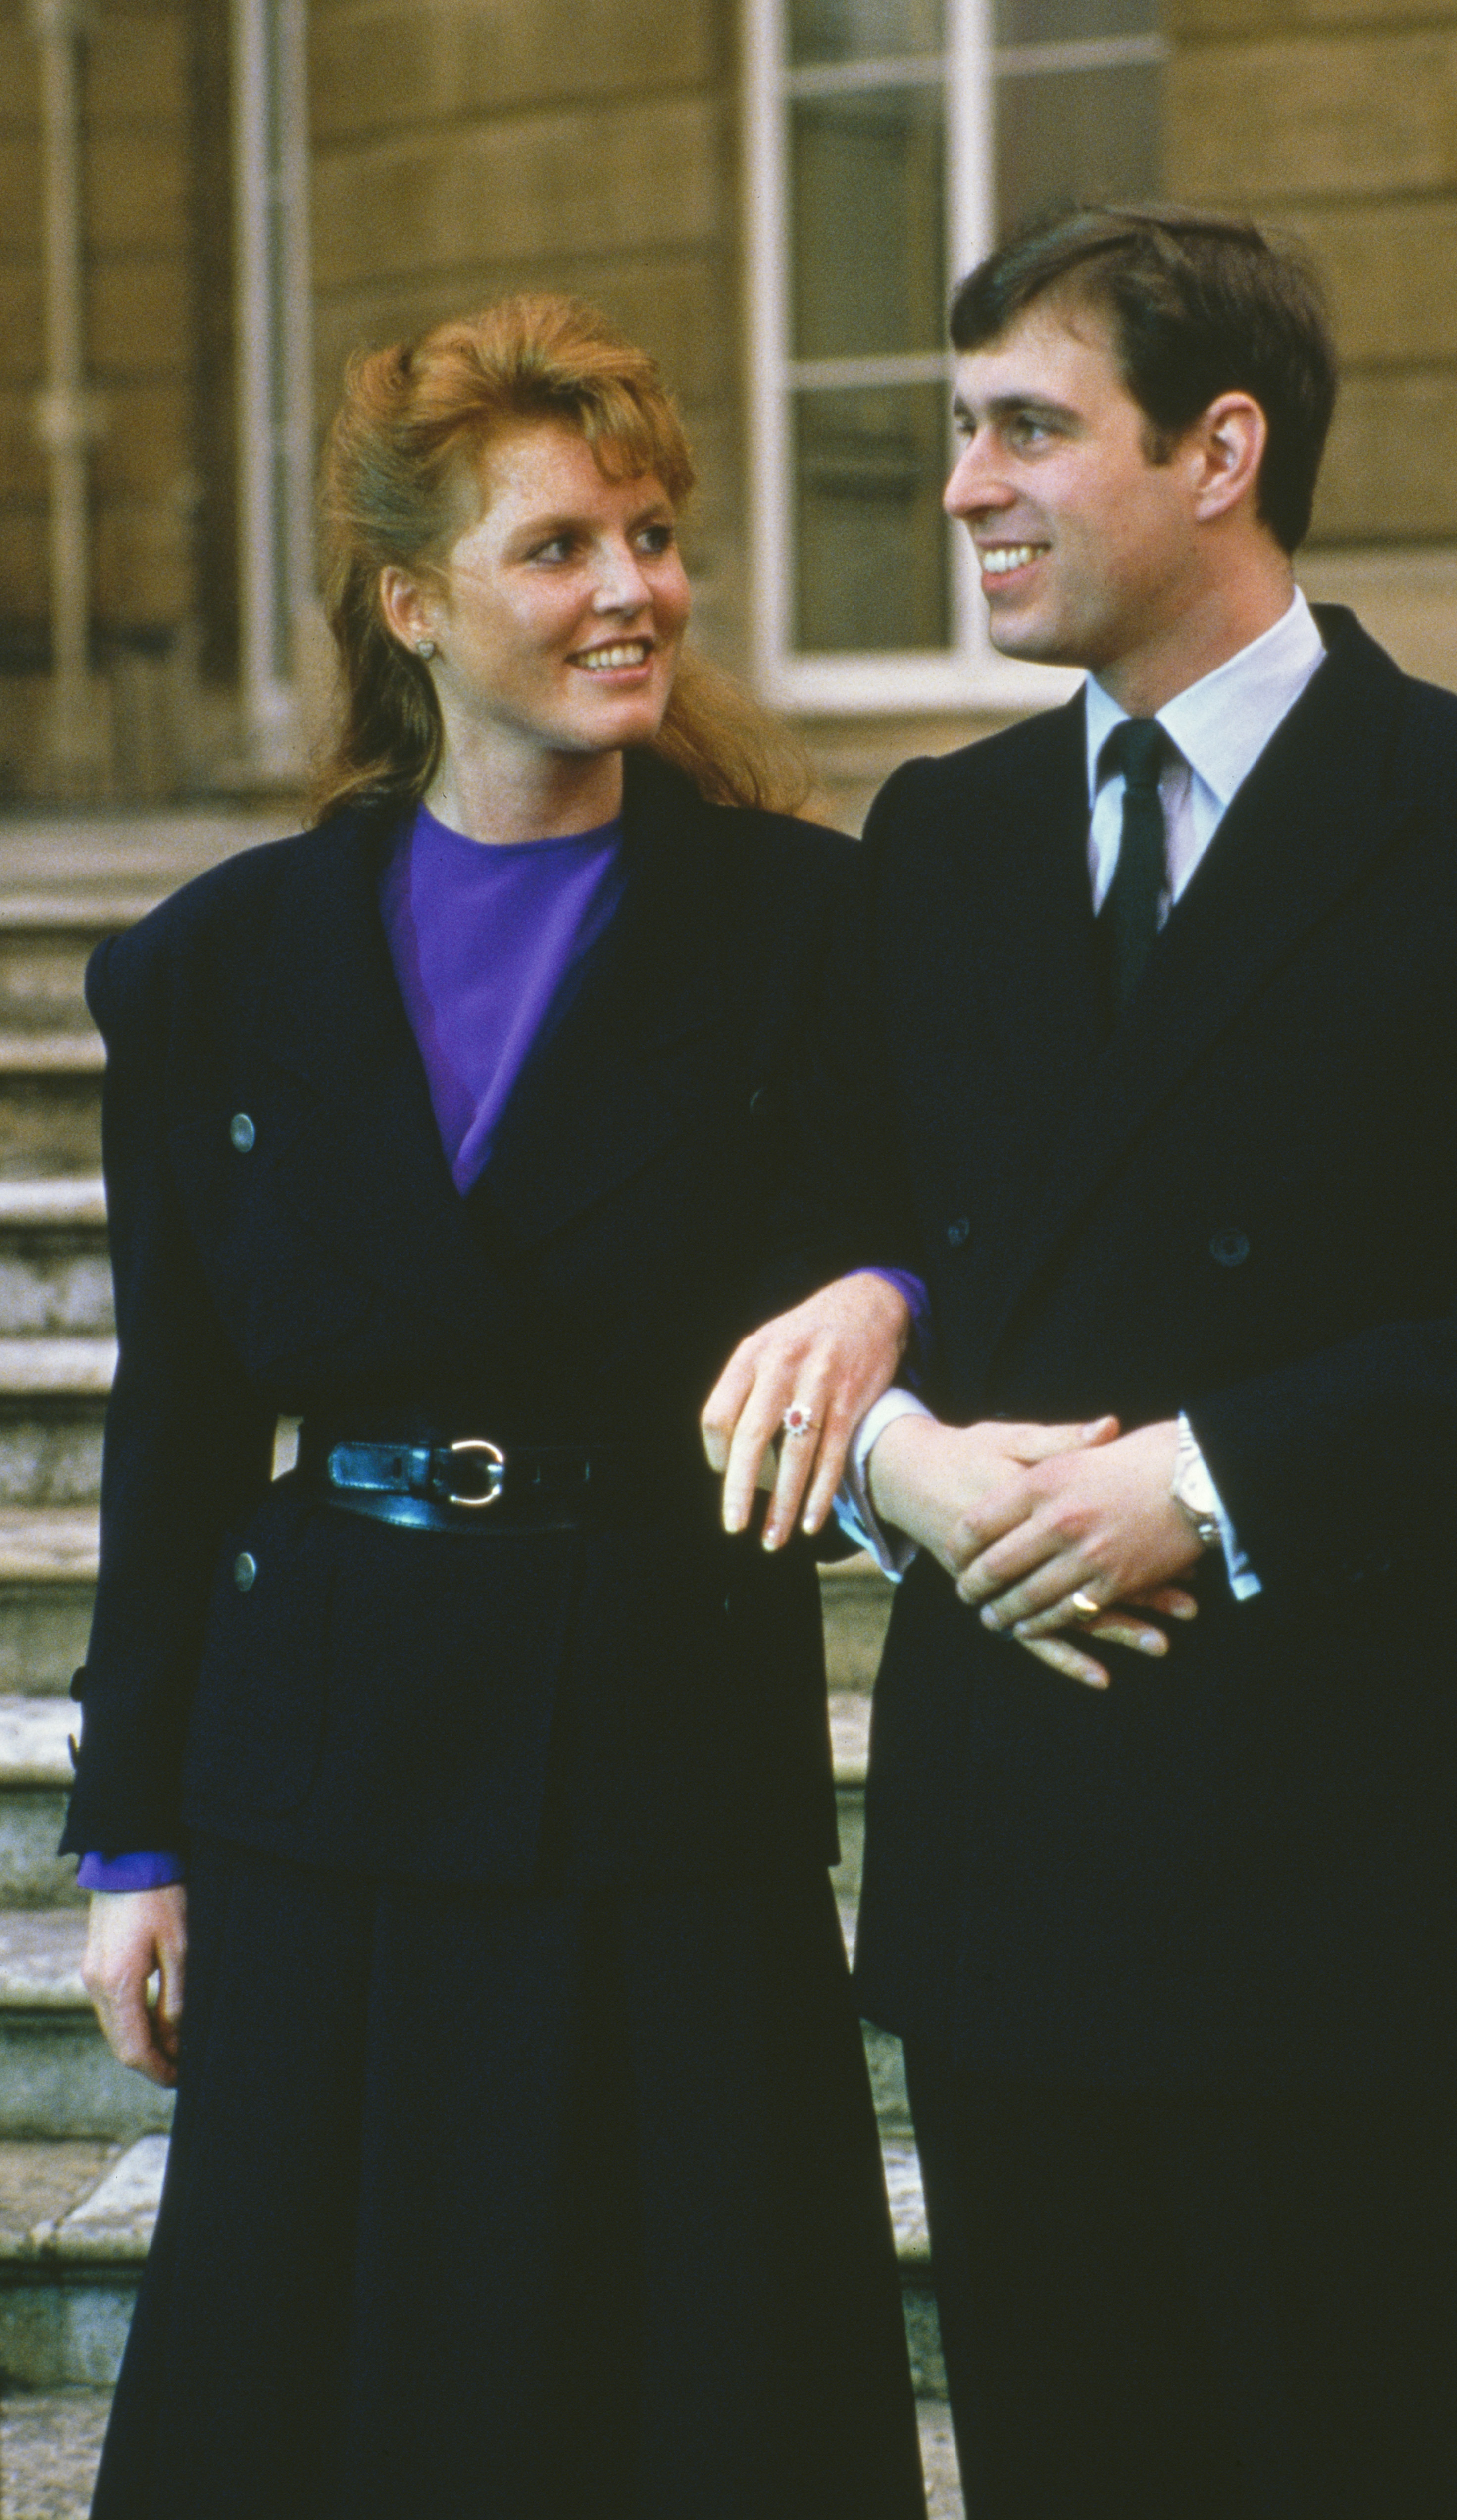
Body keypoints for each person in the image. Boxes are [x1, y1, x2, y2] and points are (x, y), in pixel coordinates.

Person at [703, 206, 1457, 2519]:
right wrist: (890, 1446)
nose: (961, 485)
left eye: (1025, 427)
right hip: (1019, 1846)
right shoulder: (941, 837)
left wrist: (1204, 1477)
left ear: (1219, 451)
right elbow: (817, 1239)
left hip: (1346, 1856)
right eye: (957, 427)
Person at [65, 294, 928, 2520]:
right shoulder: (211, 968)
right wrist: (134, 1840)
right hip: (323, 1766)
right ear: (411, 604)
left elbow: (919, 1228)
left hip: (665, 1747)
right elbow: (178, 1428)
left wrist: (887, 1290)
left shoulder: (808, 925)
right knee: (336, 2390)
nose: (631, 589)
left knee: (687, 2382)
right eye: (556, 547)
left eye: (651, 536)